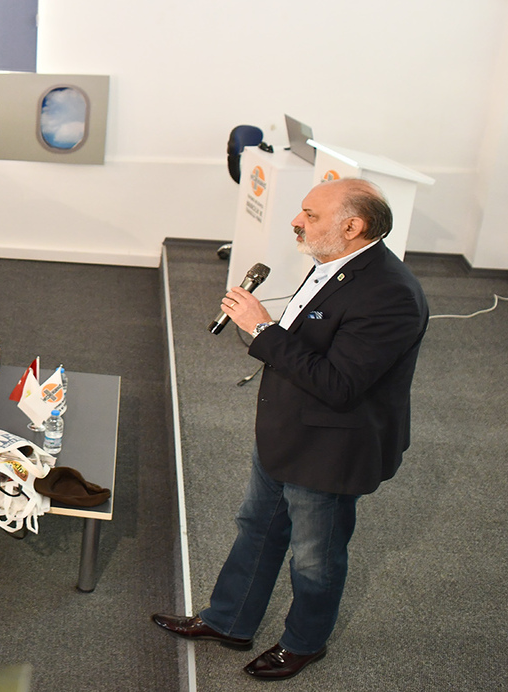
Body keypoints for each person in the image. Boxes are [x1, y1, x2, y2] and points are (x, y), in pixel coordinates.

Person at [152, 178, 428, 680]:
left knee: (314, 558)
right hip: (286, 431)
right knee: (257, 528)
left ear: (353, 226)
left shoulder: (391, 294)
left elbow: (340, 384)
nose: (297, 222)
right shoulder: (332, 262)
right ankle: (229, 620)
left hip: (329, 449)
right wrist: (266, 334)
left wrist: (262, 329)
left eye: (311, 215)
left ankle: (304, 643)